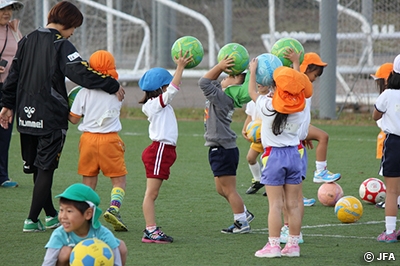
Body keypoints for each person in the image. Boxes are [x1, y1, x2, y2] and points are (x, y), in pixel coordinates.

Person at [0, 1, 125, 232]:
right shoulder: (61, 44)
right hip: (50, 116)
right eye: (74, 27)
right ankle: (30, 219)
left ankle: (49, 215)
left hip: (26, 115)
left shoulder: (26, 39)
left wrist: (7, 104)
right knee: (46, 168)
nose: (73, 32)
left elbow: (13, 75)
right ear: (67, 23)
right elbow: (80, 72)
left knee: (38, 168)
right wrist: (111, 83)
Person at [249, 59, 312, 258]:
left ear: (276, 87)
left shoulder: (267, 105)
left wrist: (252, 72)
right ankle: (293, 246)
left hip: (274, 157)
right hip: (295, 155)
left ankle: (274, 246)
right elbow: (299, 89)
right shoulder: (300, 108)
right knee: (293, 205)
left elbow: (252, 92)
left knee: (275, 205)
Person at [68, 50, 128, 232]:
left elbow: (74, 119)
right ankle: (114, 208)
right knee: (118, 181)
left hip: (87, 140)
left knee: (89, 181)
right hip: (110, 140)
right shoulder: (117, 90)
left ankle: (88, 217)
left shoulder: (84, 92)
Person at [138, 51, 192, 243]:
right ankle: (150, 231)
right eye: (166, 84)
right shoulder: (154, 104)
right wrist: (180, 67)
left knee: (152, 193)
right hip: (159, 150)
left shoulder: (159, 104)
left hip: (163, 151)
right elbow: (173, 90)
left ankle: (151, 230)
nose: (170, 85)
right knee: (151, 194)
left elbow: (171, 90)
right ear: (160, 88)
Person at [198, 56, 254, 234]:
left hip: (223, 149)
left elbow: (204, 82)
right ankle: (244, 212)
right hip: (220, 147)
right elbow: (211, 82)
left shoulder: (223, 99)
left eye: (231, 75)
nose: (225, 76)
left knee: (229, 190)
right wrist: (224, 71)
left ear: (235, 84)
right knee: (221, 189)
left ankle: (241, 222)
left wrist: (220, 66)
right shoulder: (221, 93)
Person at [42, 183, 127, 266]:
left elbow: (116, 263)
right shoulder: (59, 234)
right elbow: (48, 262)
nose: (63, 216)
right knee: (65, 252)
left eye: (69, 211)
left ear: (88, 214)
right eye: (61, 210)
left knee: (120, 246)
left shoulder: (103, 234)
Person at [374, 54, 400, 243]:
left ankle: (390, 232)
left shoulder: (388, 94)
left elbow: (375, 115)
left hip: (394, 144)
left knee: (391, 191)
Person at [370, 63, 400, 210]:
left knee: (392, 177)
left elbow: (376, 116)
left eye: (380, 81)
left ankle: (394, 200)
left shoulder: (387, 95)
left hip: (394, 140)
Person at [0, 0, 23, 188]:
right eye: (2, 9)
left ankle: (2, 176)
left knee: (5, 131)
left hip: (8, 88)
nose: (7, 12)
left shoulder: (14, 30)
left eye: (9, 8)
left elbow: (22, 55)